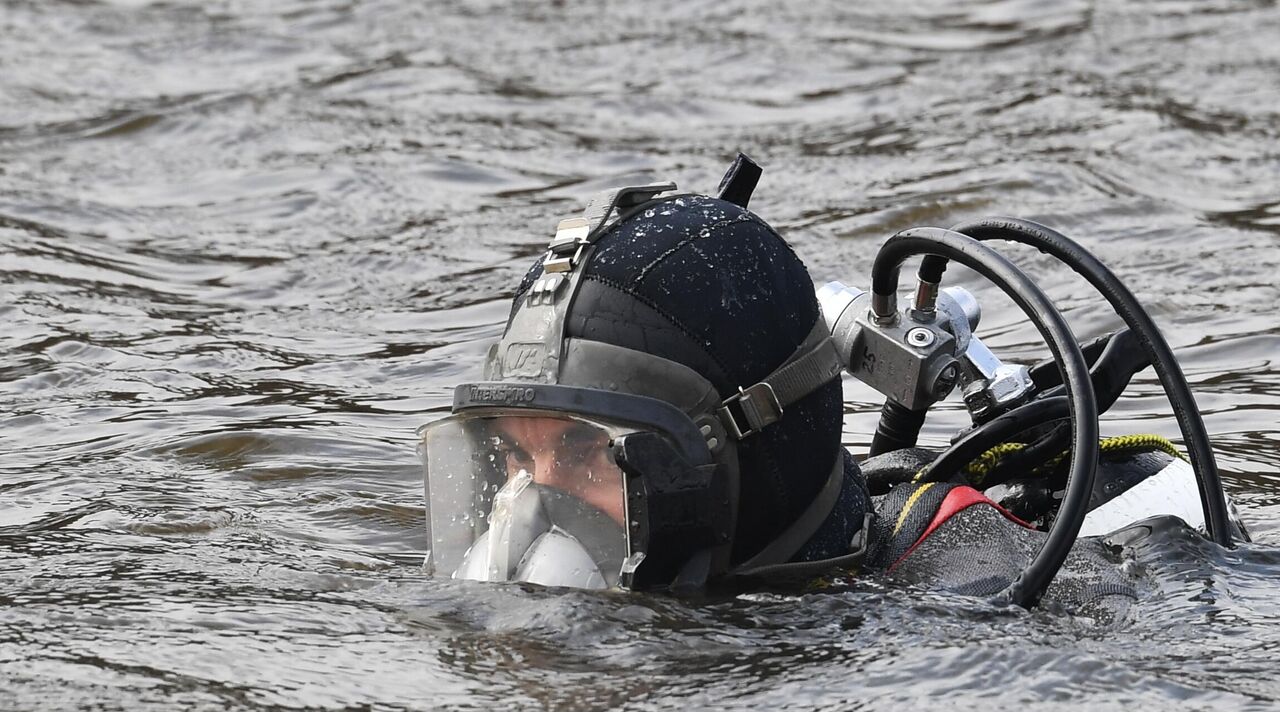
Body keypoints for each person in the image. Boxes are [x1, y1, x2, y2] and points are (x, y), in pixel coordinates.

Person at [417, 158, 1242, 611]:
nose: (531, 505)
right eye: (515, 460)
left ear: (738, 453)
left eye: (584, 453)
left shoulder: (982, 602)